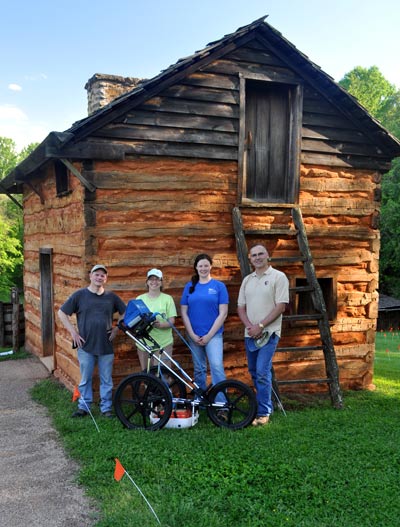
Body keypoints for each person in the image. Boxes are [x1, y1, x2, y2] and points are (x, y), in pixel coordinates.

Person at [58, 264, 126, 418]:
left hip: (106, 346)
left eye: (102, 275)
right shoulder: (79, 296)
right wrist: (73, 332)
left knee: (106, 380)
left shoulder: (111, 297)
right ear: (90, 276)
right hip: (85, 345)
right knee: (85, 378)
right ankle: (84, 407)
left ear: (106, 278)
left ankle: (106, 408)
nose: (99, 277)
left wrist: (116, 329)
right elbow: (62, 313)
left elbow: (125, 312)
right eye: (97, 274)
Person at [237, 244, 289, 426]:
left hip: (269, 332)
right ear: (250, 259)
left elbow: (281, 306)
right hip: (250, 333)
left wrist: (260, 325)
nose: (257, 257)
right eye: (254, 255)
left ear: (268, 256)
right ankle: (264, 405)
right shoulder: (247, 280)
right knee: (253, 371)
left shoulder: (278, 277)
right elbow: (240, 307)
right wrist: (250, 327)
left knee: (261, 371)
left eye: (261, 254)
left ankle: (263, 412)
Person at [180, 253, 229, 396]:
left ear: (211, 266)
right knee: (199, 369)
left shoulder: (219, 286)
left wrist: (208, 335)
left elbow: (223, 313)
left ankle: (221, 404)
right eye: (200, 266)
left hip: (213, 335)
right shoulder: (189, 287)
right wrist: (192, 334)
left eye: (206, 265)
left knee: (216, 367)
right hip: (194, 335)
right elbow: (184, 312)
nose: (203, 268)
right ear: (196, 267)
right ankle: (200, 402)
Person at [136, 268, 177, 370]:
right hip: (144, 344)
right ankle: (147, 387)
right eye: (151, 279)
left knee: (164, 374)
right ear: (147, 282)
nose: (154, 282)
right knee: (147, 375)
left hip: (163, 343)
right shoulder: (139, 299)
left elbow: (172, 321)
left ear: (161, 282)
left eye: (157, 279)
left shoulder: (168, 299)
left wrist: (161, 325)